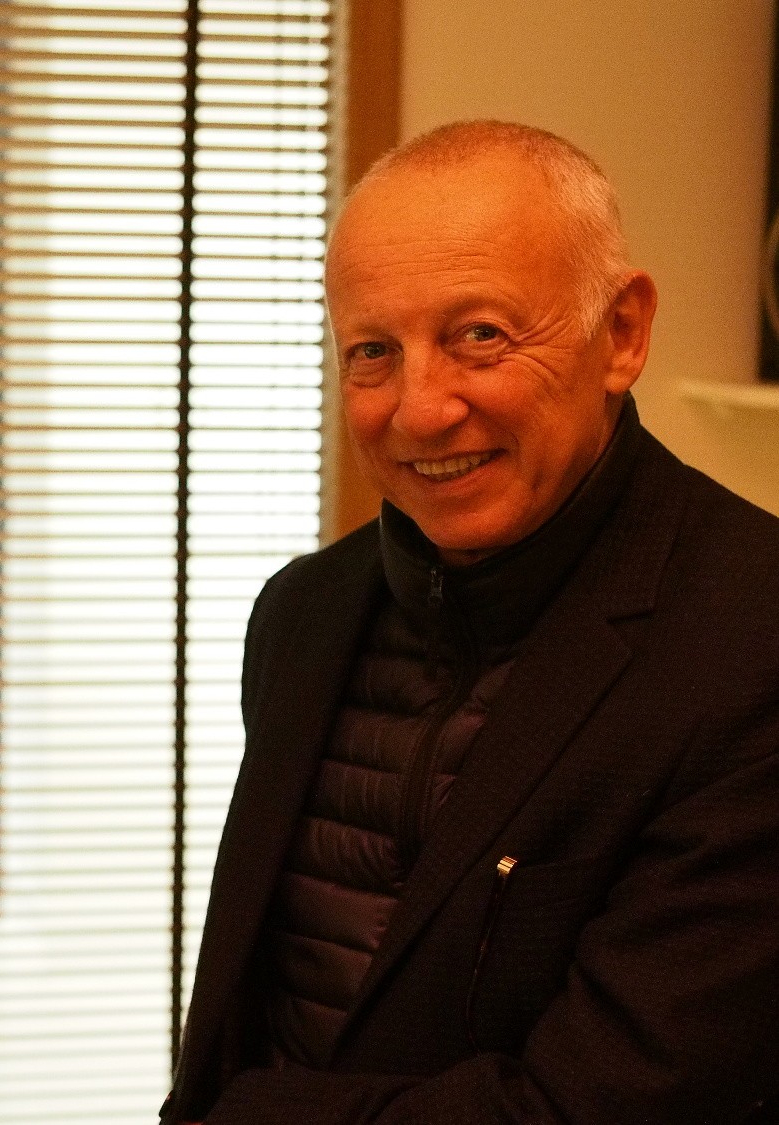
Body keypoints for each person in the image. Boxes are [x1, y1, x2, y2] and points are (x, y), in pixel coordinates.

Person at [165, 121, 779, 1124]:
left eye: (480, 335)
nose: (420, 409)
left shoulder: (751, 640)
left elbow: (601, 1103)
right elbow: (245, 1021)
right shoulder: (302, 615)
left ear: (622, 333)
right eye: (373, 351)